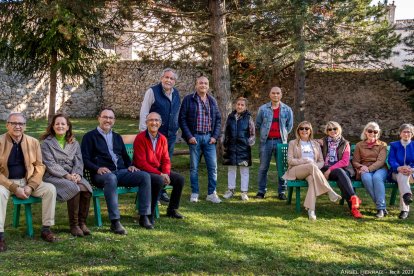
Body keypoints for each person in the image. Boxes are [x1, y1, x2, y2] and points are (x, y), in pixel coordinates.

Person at [81, 108, 160, 233]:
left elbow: (124, 156)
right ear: (99, 118)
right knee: (111, 178)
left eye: (111, 118)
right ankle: (115, 222)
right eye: (105, 117)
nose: (108, 120)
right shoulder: (89, 137)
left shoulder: (117, 137)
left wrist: (130, 165)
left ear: (114, 120)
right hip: (102, 175)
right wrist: (97, 168)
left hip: (121, 172)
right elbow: (84, 159)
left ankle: (144, 216)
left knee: (144, 176)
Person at [0, 113, 57, 252]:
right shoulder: (0, 141)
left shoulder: (33, 142)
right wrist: (14, 187)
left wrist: (31, 186)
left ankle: (46, 229)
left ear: (25, 126)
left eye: (21, 124)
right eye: (14, 123)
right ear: (7, 125)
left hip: (28, 180)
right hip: (6, 181)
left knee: (50, 189)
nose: (17, 126)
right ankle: (0, 236)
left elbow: (39, 166)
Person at [40, 114, 93, 236]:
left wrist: (77, 174)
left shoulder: (74, 142)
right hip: (53, 176)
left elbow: (79, 161)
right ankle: (74, 225)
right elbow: (50, 164)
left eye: (63, 124)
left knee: (86, 188)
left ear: (68, 126)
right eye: (57, 124)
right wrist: (66, 176)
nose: (60, 126)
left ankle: (82, 223)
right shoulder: (47, 144)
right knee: (73, 188)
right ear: (53, 126)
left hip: (73, 174)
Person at [282, 121, 341, 220]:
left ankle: (311, 210)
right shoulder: (293, 143)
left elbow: (321, 161)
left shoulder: (315, 144)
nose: (304, 130)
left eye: (307, 128)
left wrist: (314, 166)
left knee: (312, 180)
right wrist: (304, 161)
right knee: (310, 166)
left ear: (310, 131)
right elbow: (290, 160)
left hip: (312, 171)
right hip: (296, 170)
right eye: (301, 128)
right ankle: (329, 191)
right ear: (298, 131)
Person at [139, 68, 181, 204]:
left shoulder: (176, 94)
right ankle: (153, 192)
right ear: (161, 78)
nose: (168, 80)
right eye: (166, 77)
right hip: (153, 135)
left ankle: (161, 191)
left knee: (165, 163)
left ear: (174, 81)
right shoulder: (152, 91)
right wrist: (143, 132)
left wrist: (176, 129)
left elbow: (176, 112)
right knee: (153, 163)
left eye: (171, 78)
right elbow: (144, 111)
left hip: (170, 135)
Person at [133, 112, 185, 219]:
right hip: (143, 171)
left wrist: (165, 173)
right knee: (159, 180)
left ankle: (172, 210)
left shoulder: (163, 139)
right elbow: (141, 163)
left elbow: (166, 159)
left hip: (159, 171)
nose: (154, 123)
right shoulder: (140, 138)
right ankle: (149, 213)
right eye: (151, 120)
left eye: (156, 120)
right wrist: (160, 174)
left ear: (160, 123)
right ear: (146, 123)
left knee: (179, 179)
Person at [179, 76, 222, 203]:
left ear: (208, 86)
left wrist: (214, 136)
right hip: (195, 138)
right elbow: (182, 119)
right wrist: (189, 136)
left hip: (209, 138)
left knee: (213, 167)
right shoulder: (189, 99)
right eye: (200, 83)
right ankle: (195, 192)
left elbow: (218, 119)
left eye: (205, 83)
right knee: (194, 168)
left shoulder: (212, 100)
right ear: (196, 85)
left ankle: (211, 193)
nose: (203, 85)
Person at [256, 86, 293, 200]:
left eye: (278, 93)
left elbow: (289, 126)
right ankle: (261, 192)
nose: (275, 95)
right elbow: (258, 124)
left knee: (282, 168)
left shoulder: (287, 109)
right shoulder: (263, 109)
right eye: (273, 93)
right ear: (269, 94)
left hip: (281, 142)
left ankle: (282, 191)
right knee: (263, 168)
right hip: (266, 142)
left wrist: (282, 136)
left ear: (281, 95)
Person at [319, 121, 363, 219]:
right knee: (341, 174)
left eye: (335, 128)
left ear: (339, 129)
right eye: (329, 129)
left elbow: (345, 162)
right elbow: (310, 141)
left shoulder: (345, 143)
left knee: (341, 176)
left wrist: (330, 169)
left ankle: (353, 206)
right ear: (327, 131)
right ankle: (354, 201)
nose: (332, 131)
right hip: (325, 169)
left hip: (340, 168)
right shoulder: (323, 141)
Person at [352, 122, 388, 218]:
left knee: (377, 178)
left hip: (380, 169)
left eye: (375, 131)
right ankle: (381, 208)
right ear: (365, 132)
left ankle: (380, 208)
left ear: (378, 132)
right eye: (370, 131)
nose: (372, 133)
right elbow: (355, 161)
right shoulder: (359, 145)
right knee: (367, 179)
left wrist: (369, 169)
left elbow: (380, 161)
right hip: (364, 169)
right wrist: (361, 167)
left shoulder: (382, 145)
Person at [222, 97, 255, 201]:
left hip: (243, 149)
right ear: (235, 105)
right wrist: (225, 142)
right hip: (231, 148)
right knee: (231, 170)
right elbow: (225, 130)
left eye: (242, 105)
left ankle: (244, 192)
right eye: (238, 104)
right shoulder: (230, 117)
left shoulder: (248, 118)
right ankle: (230, 190)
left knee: (244, 171)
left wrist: (247, 143)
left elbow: (252, 133)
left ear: (245, 107)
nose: (240, 106)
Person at [387, 123, 414, 220]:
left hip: (412, 173)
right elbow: (391, 160)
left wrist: (411, 169)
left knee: (405, 177)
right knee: (403, 176)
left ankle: (406, 201)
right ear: (400, 134)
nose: (407, 134)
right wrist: (399, 168)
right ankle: (405, 208)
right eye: (404, 132)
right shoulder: (394, 145)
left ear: (412, 134)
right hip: (396, 173)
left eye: (409, 132)